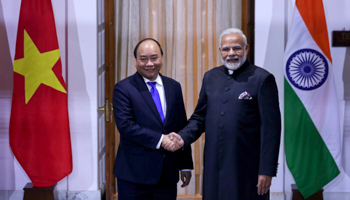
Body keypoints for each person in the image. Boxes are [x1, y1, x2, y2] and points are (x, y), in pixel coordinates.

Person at [165, 28, 281, 200]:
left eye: (237, 48)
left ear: (246, 49)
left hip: (247, 168)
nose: (231, 53)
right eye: (226, 49)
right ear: (220, 51)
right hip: (214, 165)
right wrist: (182, 138)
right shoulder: (210, 77)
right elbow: (199, 117)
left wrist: (266, 170)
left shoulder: (262, 79)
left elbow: (271, 129)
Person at [112, 38, 193, 200]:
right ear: (135, 61)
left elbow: (181, 126)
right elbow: (126, 126)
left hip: (167, 174)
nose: (149, 63)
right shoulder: (123, 88)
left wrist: (185, 166)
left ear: (162, 58)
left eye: (154, 58)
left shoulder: (174, 87)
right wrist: (161, 139)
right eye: (143, 59)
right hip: (134, 175)